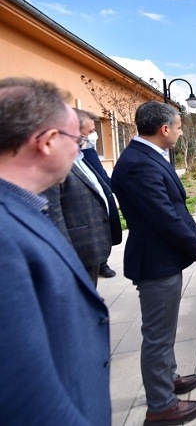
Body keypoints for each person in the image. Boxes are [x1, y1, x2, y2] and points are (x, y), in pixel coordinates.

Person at [0, 77, 111, 424]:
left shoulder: (23, 207)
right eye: (77, 140)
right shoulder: (5, 237)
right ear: (47, 141)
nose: (80, 151)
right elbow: (22, 391)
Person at [110, 101, 196, 425]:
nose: (180, 134)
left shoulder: (146, 155)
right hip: (156, 260)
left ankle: (169, 379)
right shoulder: (139, 163)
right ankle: (161, 406)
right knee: (158, 335)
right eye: (179, 128)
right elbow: (164, 216)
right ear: (164, 129)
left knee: (164, 331)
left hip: (161, 257)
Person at [43, 108, 122, 287]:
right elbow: (54, 217)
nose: (94, 136)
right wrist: (67, 258)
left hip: (92, 247)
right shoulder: (56, 166)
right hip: (78, 251)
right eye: (91, 131)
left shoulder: (82, 157)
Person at [81, 133, 118, 278]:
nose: (94, 135)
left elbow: (102, 176)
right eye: (90, 130)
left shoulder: (89, 152)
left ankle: (103, 262)